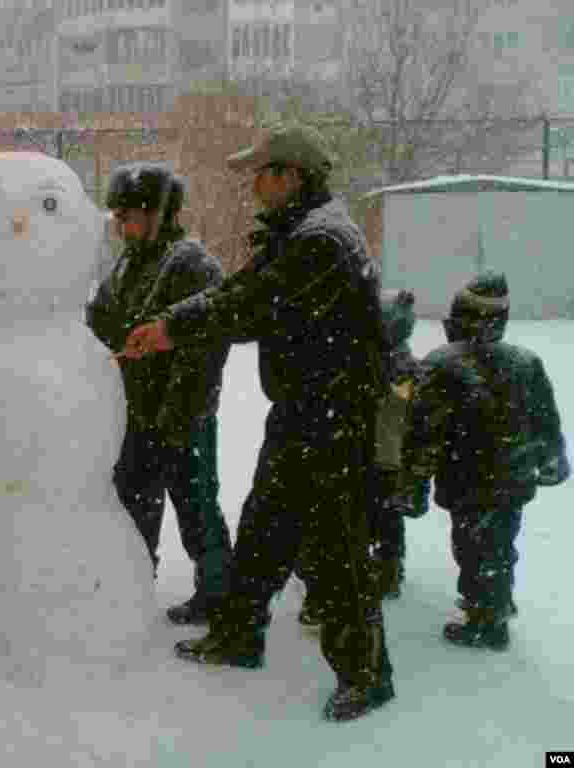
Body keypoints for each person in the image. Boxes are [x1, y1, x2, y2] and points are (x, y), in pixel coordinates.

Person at [119, 122, 394, 722]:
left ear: (290, 175)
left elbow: (250, 304)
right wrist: (172, 321)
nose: (253, 187)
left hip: (333, 416)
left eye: (261, 175)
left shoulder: (324, 242)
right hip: (303, 412)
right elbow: (243, 289)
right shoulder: (302, 231)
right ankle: (240, 635)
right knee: (266, 526)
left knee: (337, 550)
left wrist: (170, 328)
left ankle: (369, 674)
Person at [86, 161, 235, 626]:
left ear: (158, 214)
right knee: (132, 505)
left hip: (183, 414)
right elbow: (103, 324)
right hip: (134, 413)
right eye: (117, 216)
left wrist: (177, 413)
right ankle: (132, 584)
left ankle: (218, 595)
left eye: (128, 215)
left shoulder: (193, 266)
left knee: (197, 509)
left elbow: (206, 348)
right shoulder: (128, 265)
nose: (120, 225)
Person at [399, 271, 569, 651]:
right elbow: (545, 419)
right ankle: (497, 599)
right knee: (500, 541)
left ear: (461, 319)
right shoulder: (526, 361)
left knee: (474, 548)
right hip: (513, 476)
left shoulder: (442, 365)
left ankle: (485, 621)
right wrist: (552, 456)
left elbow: (423, 434)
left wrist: (413, 484)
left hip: (467, 478)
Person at [295, 288, 427, 627]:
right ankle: (387, 570)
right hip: (386, 460)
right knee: (384, 519)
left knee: (345, 524)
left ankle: (331, 595)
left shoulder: (373, 364)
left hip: (366, 458)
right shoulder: (406, 366)